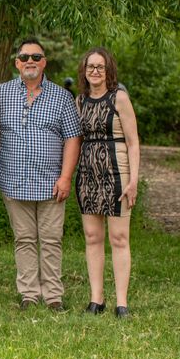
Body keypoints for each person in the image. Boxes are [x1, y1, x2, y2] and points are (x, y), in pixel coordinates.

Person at [0, 38, 81, 312]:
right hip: (13, 180)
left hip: (50, 182)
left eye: (36, 56)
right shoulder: (0, 94)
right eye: (24, 57)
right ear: (17, 63)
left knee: (51, 239)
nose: (30, 61)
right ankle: (29, 293)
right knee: (24, 239)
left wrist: (66, 177)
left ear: (44, 62)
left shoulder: (62, 97)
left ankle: (53, 295)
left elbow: (72, 138)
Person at [75, 47, 139, 319]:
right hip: (88, 173)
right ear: (84, 70)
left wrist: (134, 180)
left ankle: (121, 302)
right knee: (92, 236)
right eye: (91, 67)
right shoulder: (79, 101)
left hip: (117, 171)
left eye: (100, 67)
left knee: (119, 237)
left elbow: (134, 142)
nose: (95, 71)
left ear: (108, 70)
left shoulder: (119, 98)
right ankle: (96, 298)